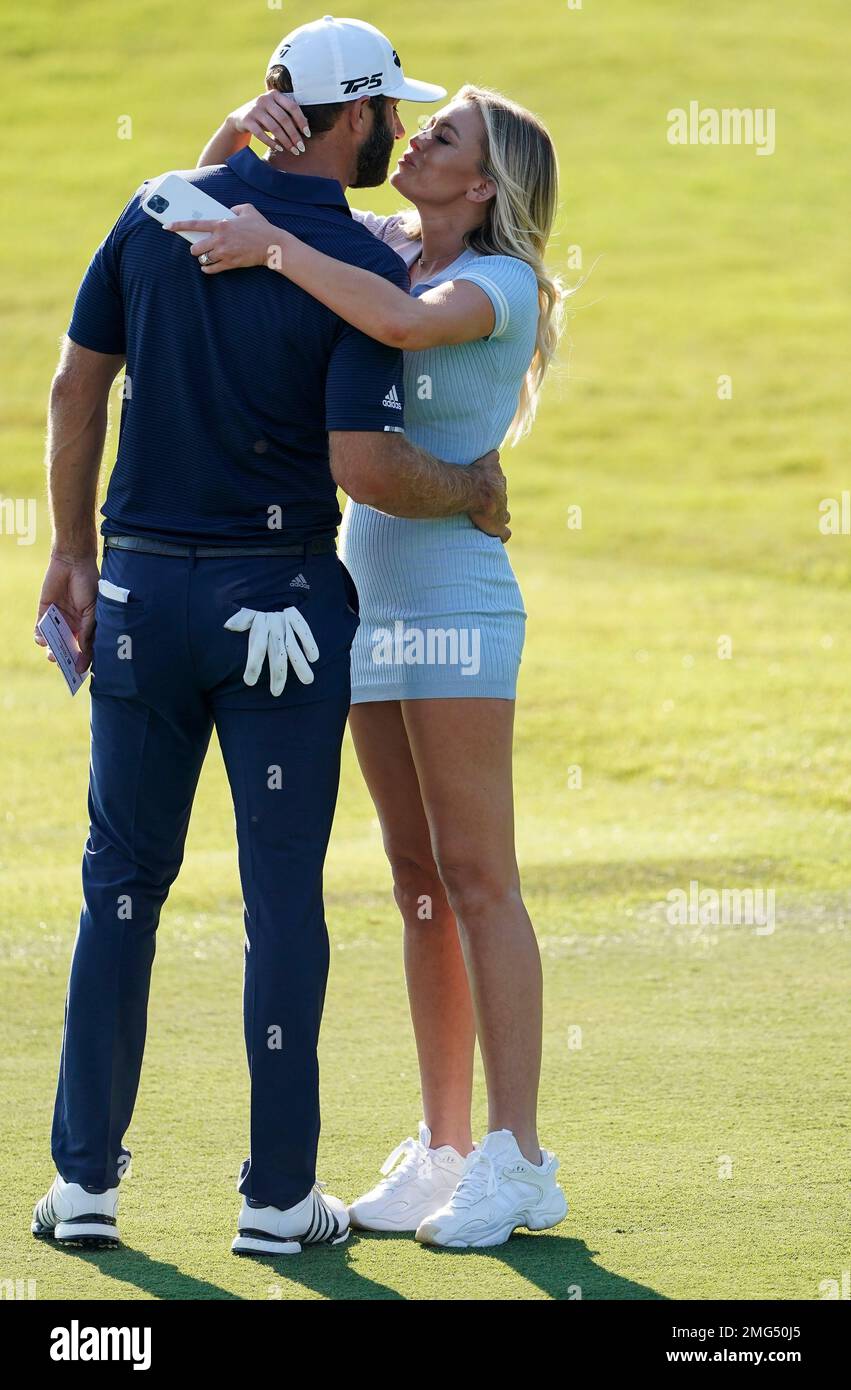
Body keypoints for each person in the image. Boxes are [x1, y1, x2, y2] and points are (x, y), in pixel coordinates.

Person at [30, 15, 510, 1258]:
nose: (395, 130)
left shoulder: (160, 208)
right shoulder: (355, 261)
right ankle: (276, 1198)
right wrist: (473, 489)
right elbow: (365, 467)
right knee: (277, 898)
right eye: (386, 113)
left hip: (138, 597)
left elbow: (74, 386)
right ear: (349, 119)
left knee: (120, 890)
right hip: (280, 610)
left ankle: (83, 1184)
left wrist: (72, 552)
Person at [171, 60, 568, 1248]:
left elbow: (397, 326)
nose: (406, 137)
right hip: (369, 599)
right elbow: (202, 209)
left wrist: (277, 251)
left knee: (478, 872)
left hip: (457, 600)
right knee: (416, 882)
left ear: (483, 182)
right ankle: (443, 1146)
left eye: (438, 135)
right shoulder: (389, 236)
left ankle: (519, 1158)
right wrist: (243, 125)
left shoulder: (493, 281)